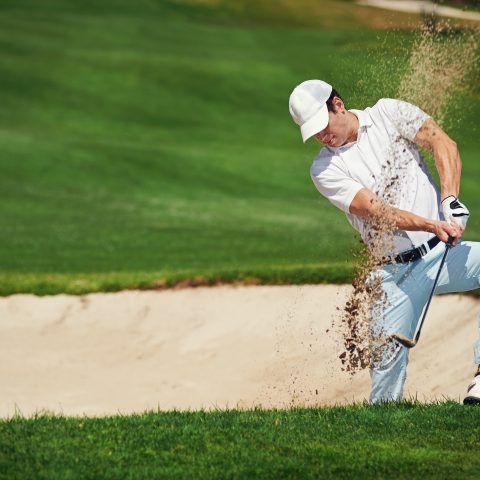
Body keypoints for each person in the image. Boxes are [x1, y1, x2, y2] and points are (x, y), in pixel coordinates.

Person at [288, 79, 480, 404]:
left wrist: (449, 200)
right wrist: (432, 224)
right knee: (384, 398)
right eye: (313, 133)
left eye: (322, 126)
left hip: (442, 255)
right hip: (392, 276)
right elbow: (376, 211)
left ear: (337, 104)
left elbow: (442, 143)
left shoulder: (388, 113)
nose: (322, 136)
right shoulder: (324, 168)